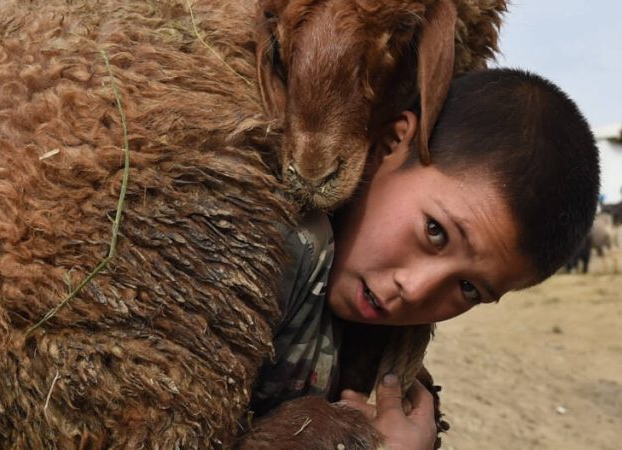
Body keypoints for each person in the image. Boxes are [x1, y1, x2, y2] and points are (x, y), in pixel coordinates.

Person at [249, 68, 600, 448]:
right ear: (392, 143)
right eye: (435, 231)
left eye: (468, 288)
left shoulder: (381, 352)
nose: (415, 290)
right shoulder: (272, 246)